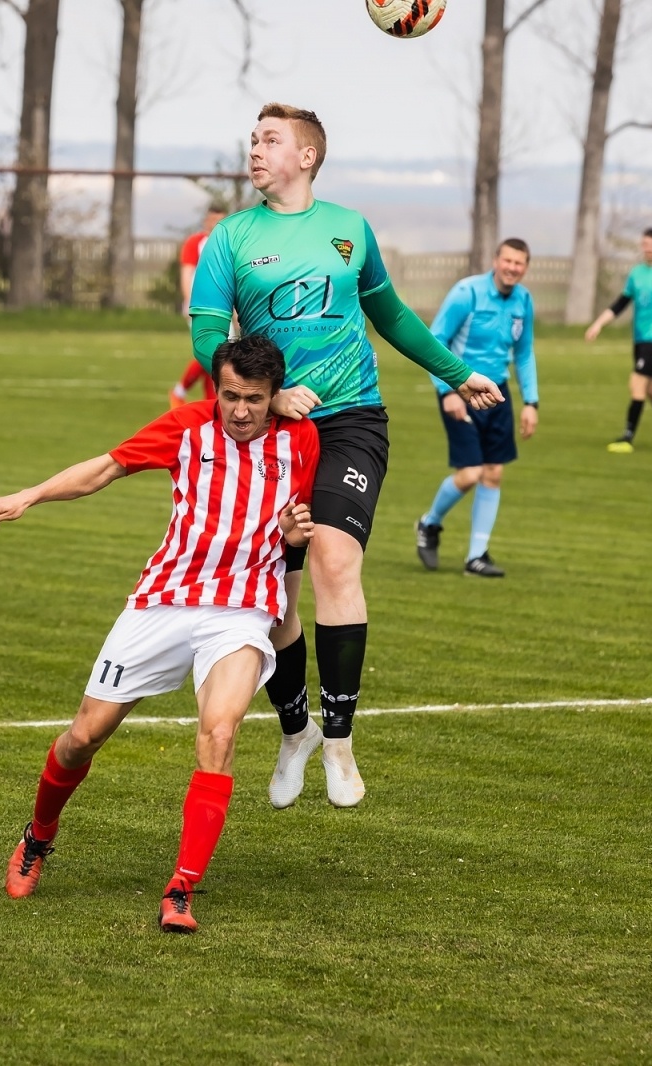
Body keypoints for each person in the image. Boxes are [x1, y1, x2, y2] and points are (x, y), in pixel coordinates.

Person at [187, 103, 503, 810]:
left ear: (307, 157)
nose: (255, 149)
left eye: (270, 140)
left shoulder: (349, 229)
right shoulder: (230, 239)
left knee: (334, 558)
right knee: (274, 605)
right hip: (268, 434)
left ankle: (338, 739)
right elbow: (208, 335)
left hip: (351, 420)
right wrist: (269, 397)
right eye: (253, 139)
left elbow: (388, 314)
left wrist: (457, 373)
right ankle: (293, 728)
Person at [0, 335, 319, 933]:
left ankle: (181, 889)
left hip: (240, 609)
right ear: (217, 388)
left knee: (219, 733)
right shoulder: (186, 427)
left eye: (255, 400)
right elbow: (106, 468)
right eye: (231, 396)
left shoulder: (301, 439)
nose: (241, 411)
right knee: (83, 736)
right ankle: (39, 836)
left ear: (274, 397)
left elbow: (294, 533)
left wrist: (293, 533)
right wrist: (29, 494)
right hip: (163, 600)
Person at [415, 238, 539, 576]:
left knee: (494, 472)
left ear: (525, 267)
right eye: (508, 260)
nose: (513, 268)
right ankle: (429, 523)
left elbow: (524, 353)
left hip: (497, 392)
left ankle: (476, 556)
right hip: (463, 389)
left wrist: (531, 402)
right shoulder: (466, 293)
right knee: (470, 473)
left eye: (520, 263)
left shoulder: (524, 301)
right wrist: (448, 389)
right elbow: (434, 340)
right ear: (495, 260)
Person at [586, 227, 652, 453]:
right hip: (639, 339)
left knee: (636, 384)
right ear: (641, 245)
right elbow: (621, 303)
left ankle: (627, 437)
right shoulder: (636, 274)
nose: (650, 249)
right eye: (646, 244)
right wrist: (598, 324)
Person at [169, 206, 228, 409]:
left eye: (220, 219)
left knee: (218, 355)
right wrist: (189, 303)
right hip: (202, 308)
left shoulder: (228, 242)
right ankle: (180, 391)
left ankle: (211, 402)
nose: (215, 223)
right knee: (215, 351)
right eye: (213, 219)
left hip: (224, 308)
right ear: (206, 221)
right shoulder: (196, 242)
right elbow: (187, 273)